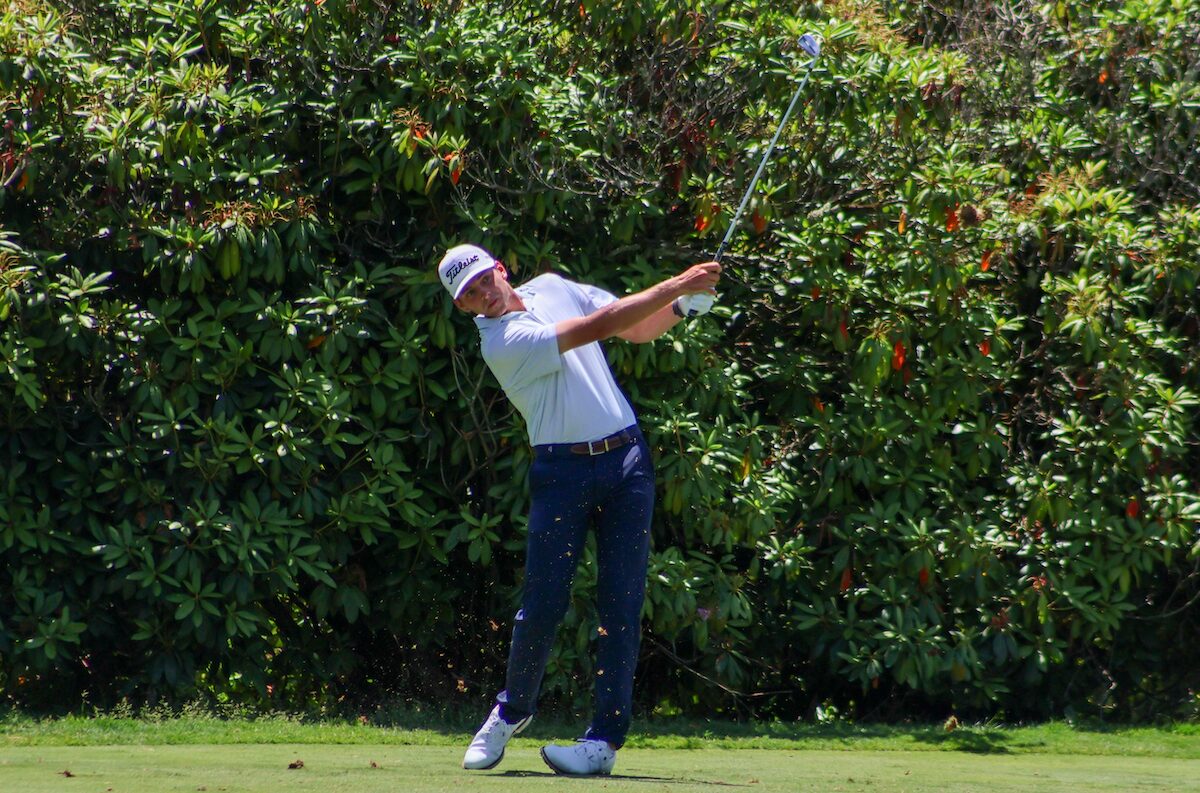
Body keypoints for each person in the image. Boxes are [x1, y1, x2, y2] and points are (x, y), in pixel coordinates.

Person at [436, 242, 719, 776]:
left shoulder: (555, 287)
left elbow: (634, 326)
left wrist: (679, 308)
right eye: (469, 295)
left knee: (621, 606)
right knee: (542, 603)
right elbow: (600, 327)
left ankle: (603, 743)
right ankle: (511, 711)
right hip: (561, 472)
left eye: (482, 280)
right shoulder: (502, 343)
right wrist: (678, 284)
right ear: (464, 307)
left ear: (501, 268)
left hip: (627, 462)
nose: (482, 295)